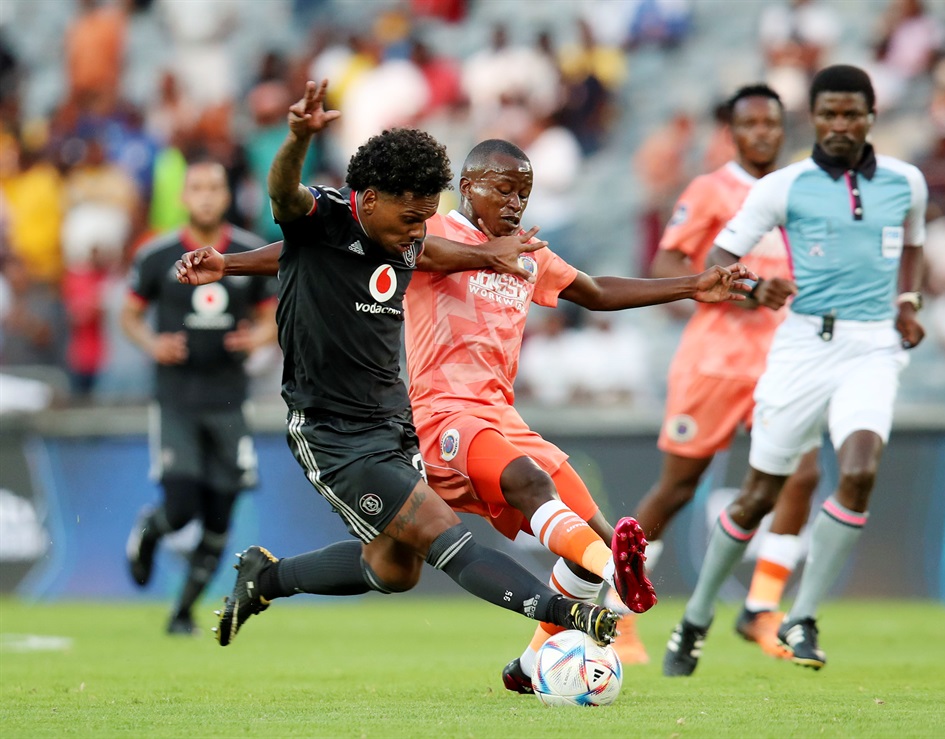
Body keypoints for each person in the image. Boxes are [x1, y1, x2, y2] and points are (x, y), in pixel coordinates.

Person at [176, 80, 625, 654]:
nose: (418, 233)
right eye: (411, 219)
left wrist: (490, 254)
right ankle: (570, 616)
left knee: (394, 570)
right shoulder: (321, 220)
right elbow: (283, 196)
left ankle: (266, 577)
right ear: (368, 199)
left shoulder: (405, 238)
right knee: (444, 538)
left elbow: (434, 252)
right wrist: (294, 142)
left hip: (394, 421)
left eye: (425, 219)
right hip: (332, 432)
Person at [403, 138, 755, 693]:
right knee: (532, 485)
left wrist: (693, 284)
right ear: (467, 187)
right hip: (443, 415)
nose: (516, 203)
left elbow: (593, 291)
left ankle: (531, 660)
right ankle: (620, 576)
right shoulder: (433, 234)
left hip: (502, 417)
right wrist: (491, 255)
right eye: (503, 189)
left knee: (593, 536)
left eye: (525, 192)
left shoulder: (528, 252)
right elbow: (411, 255)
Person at [663, 64, 927, 675]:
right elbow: (724, 257)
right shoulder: (784, 187)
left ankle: (801, 616)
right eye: (829, 113)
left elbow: (912, 246)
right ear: (815, 118)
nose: (840, 124)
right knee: (759, 495)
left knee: (858, 471)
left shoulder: (907, 183)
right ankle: (697, 616)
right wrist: (754, 286)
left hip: (872, 346)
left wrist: (908, 303)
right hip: (803, 344)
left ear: (870, 116)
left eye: (851, 113)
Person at [611, 84, 821, 667]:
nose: (762, 133)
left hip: (781, 362)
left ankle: (761, 605)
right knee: (677, 488)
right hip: (714, 363)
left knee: (802, 474)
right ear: (732, 131)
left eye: (771, 124)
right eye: (750, 124)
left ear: (783, 130)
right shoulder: (710, 190)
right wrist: (740, 288)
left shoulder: (799, 192)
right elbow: (666, 263)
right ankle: (615, 609)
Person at [122, 159, 278, 635]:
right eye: (198, 188)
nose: (207, 195)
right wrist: (153, 344)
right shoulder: (156, 255)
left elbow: (273, 314)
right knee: (183, 502)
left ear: (227, 196)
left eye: (215, 187)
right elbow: (129, 315)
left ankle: (182, 612)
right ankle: (152, 528)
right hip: (178, 398)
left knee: (220, 512)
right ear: (184, 197)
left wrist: (256, 339)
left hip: (231, 398)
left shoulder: (251, 253)